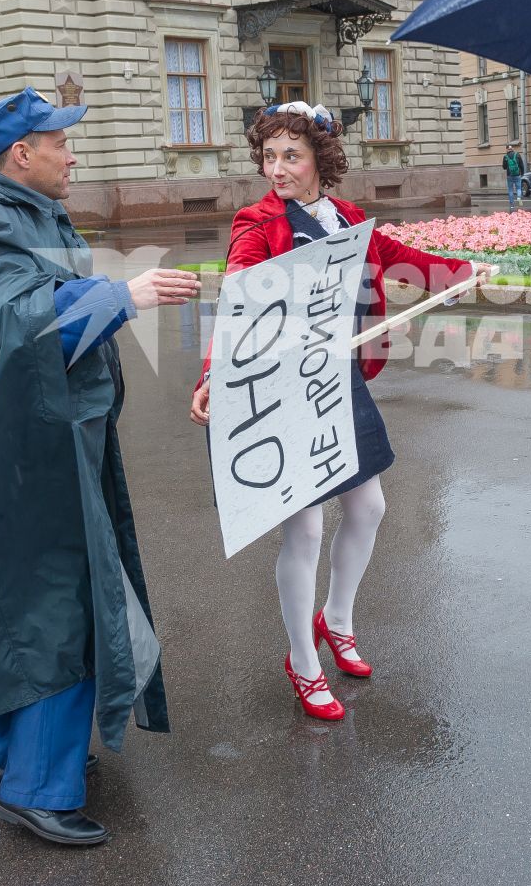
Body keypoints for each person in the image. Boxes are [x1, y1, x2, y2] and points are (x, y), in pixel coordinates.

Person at [0, 87, 202, 847]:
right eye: (60, 142)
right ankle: (38, 788)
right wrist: (116, 294)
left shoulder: (22, 211)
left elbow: (31, 305)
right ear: (21, 154)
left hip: (45, 442)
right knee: (55, 602)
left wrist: (105, 299)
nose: (73, 155)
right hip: (16, 459)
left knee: (36, 597)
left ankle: (15, 761)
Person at [191, 102, 485, 720]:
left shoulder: (346, 217)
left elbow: (403, 258)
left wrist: (463, 273)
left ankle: (337, 620)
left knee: (370, 507)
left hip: (337, 379)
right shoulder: (259, 222)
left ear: (320, 161)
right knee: (305, 528)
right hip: (280, 388)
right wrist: (214, 374)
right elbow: (238, 297)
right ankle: (302, 661)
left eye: (290, 156)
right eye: (269, 157)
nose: (277, 169)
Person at [502, 144, 527, 209]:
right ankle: (519, 197)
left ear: (507, 149)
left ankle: (512, 205)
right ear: (512, 148)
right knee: (518, 188)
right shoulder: (517, 155)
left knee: (510, 190)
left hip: (509, 175)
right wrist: (522, 173)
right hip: (517, 174)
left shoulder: (505, 157)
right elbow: (521, 165)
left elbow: (504, 167)